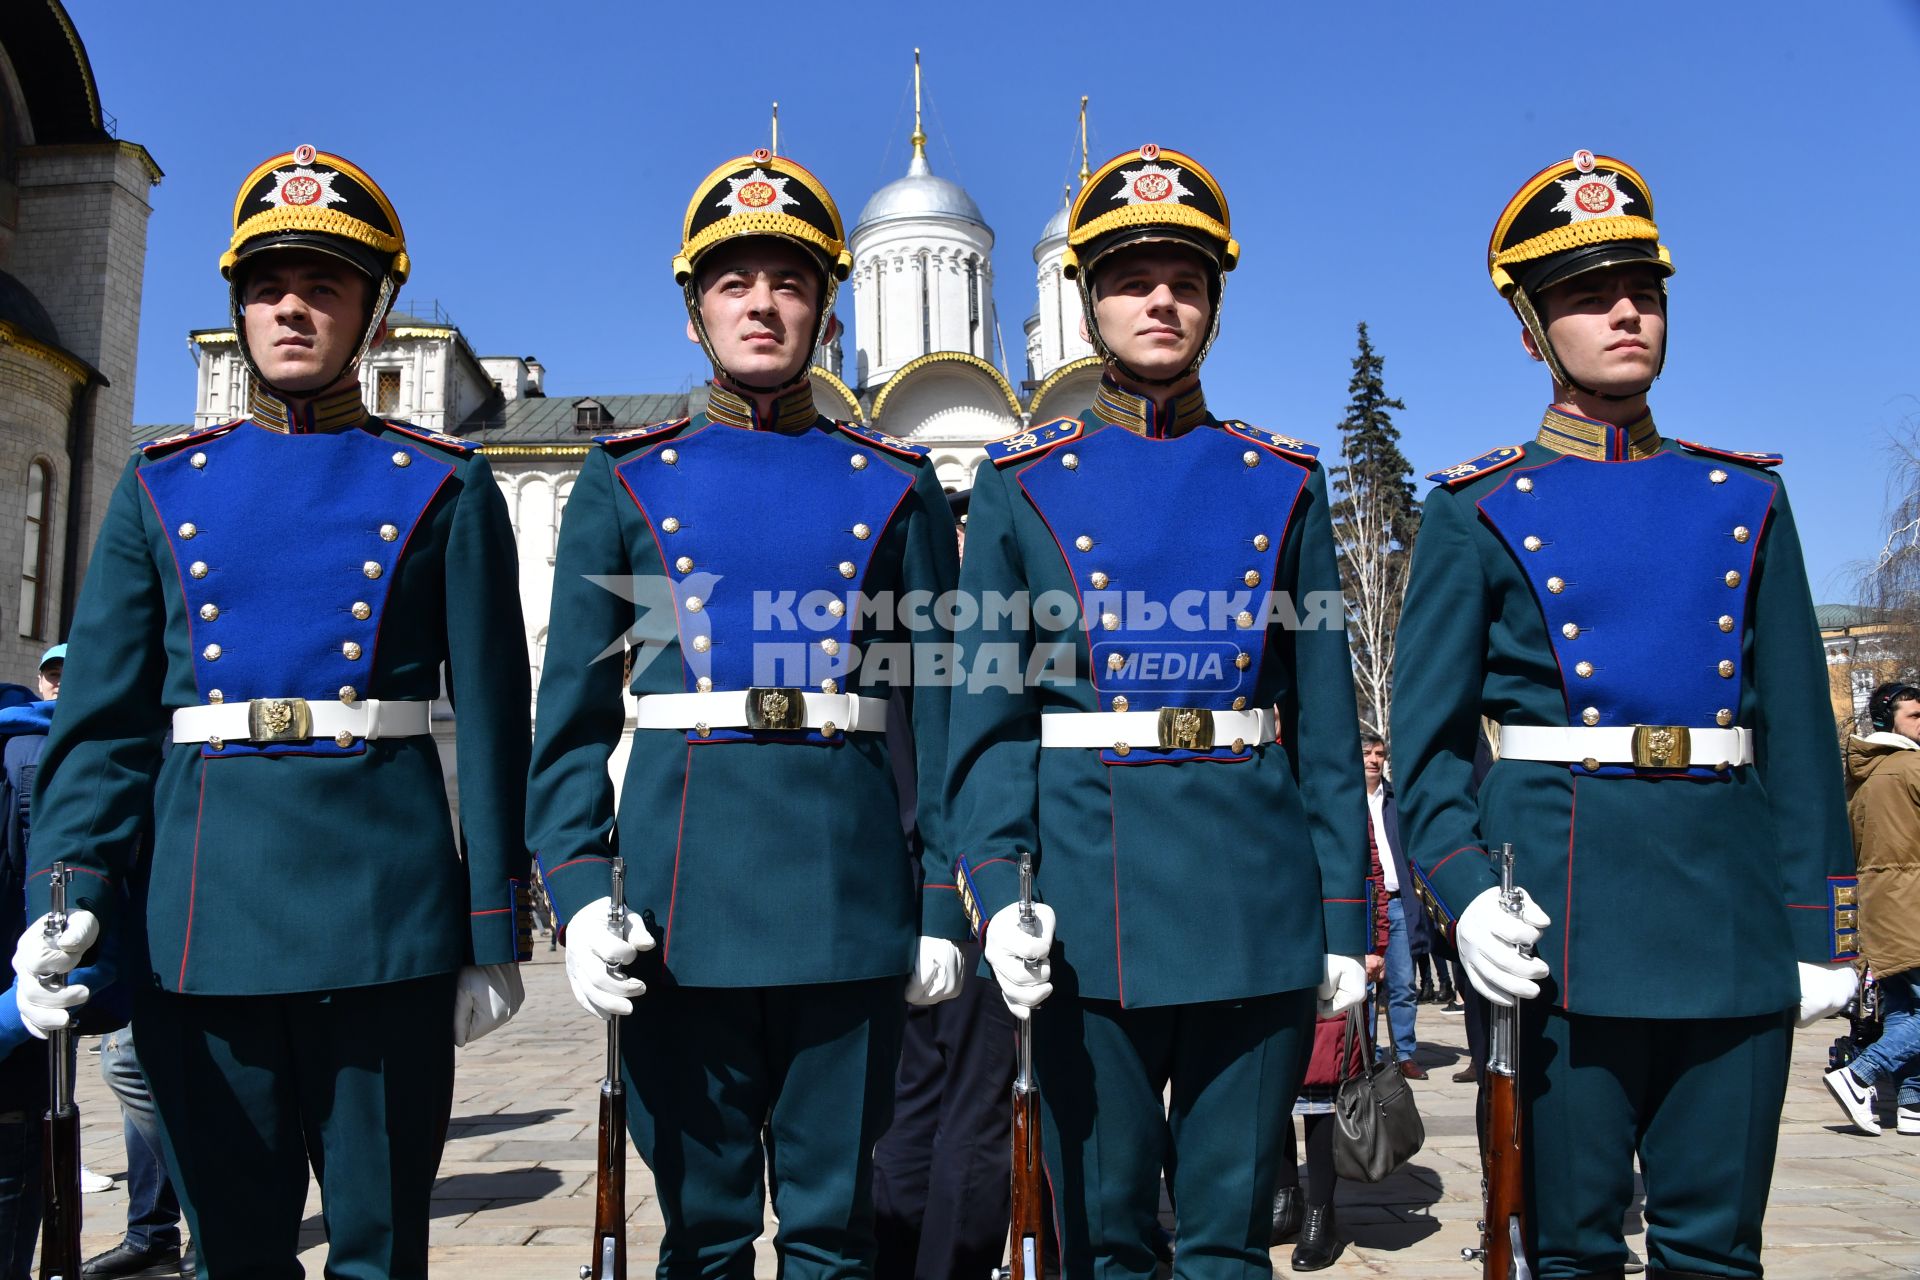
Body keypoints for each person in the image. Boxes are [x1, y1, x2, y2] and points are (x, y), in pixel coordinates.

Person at [10, 147, 532, 1279]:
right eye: (266, 286)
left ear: (373, 311)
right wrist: (69, 893)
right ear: (240, 305)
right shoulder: (165, 484)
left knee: (379, 1251)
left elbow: (495, 717)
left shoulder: (441, 482)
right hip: (205, 922)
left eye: (324, 285)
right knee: (234, 1251)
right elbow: (101, 725)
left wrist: (492, 924)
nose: (290, 307)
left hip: (384, 920)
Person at [1392, 149, 1860, 1280]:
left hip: (1729, 915)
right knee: (1567, 1246)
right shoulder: (1478, 510)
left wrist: (1822, 930)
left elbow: (1797, 729)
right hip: (1563, 917)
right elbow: (1427, 753)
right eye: (1588, 296)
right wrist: (1462, 892)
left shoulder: (1746, 498)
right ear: (1531, 328)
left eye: (1643, 290)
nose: (1624, 312)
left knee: (1716, 1247)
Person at [526, 148, 966, 1274]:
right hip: (684, 904)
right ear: (693, 312)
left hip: (848, 896)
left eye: (788, 281)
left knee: (835, 1228)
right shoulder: (625, 477)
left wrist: (934, 898)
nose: (761, 303)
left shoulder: (893, 479)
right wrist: (578, 893)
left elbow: (941, 706)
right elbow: (571, 712)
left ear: (825, 313)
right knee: (706, 1229)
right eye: (734, 282)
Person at [946, 143, 1369, 1277]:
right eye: (1135, 279)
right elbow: (989, 721)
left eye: (1187, 279)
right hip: (1092, 901)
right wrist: (998, 890)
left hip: (1252, 895)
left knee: (1230, 1239)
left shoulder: (1281, 478)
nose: (1163, 301)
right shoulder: (1020, 481)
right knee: (1106, 1233)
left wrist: (1344, 920)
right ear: (1089, 301)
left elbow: (1324, 722)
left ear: (1216, 305)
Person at [1827, 682, 1920, 1136]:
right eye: (1915, 716)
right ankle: (1859, 1075)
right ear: (1889, 721)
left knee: (1905, 1009)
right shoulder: (1912, 767)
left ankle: (1911, 1104)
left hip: (1880, 908)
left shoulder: (1863, 774)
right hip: (1913, 903)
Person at [1362, 732, 1425, 1077]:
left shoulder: (1396, 801)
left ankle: (1405, 1053)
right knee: (1366, 985)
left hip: (1399, 901)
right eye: (1367, 754)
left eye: (1379, 754)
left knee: (1403, 983)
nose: (1374, 760)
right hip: (1368, 903)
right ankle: (1367, 1053)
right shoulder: (1347, 800)